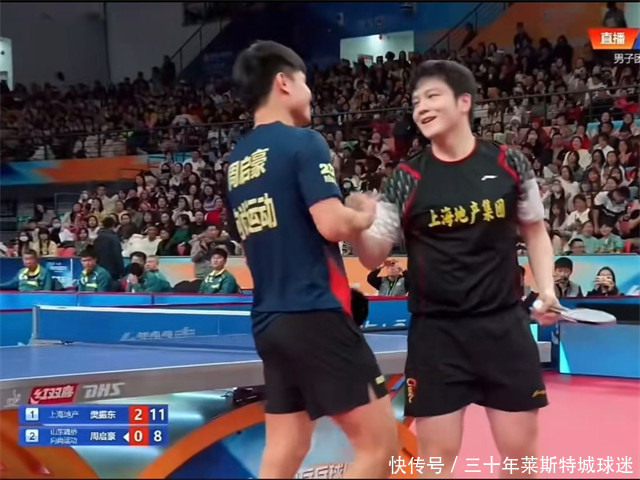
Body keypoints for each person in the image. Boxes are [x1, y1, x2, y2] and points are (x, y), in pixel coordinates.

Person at [349, 60, 561, 478]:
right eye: (416, 102)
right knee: (436, 460)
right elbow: (373, 256)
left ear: (464, 102)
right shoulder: (405, 178)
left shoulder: (510, 162)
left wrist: (548, 289)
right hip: (437, 335)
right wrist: (357, 225)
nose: (421, 108)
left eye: (432, 97)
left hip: (503, 326)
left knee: (520, 458)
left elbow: (536, 232)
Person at [225, 40, 397, 478]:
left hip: (270, 321)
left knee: (288, 445)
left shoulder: (237, 162)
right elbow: (332, 224)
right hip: (316, 315)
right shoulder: (305, 143)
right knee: (379, 446)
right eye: (305, 82)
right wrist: (365, 212)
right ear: (284, 82)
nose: (311, 93)